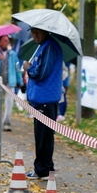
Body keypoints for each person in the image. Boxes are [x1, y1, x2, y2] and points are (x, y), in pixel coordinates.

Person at [23, 28, 63, 180]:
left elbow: (41, 73)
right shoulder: (44, 46)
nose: (34, 36)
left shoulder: (50, 47)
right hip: (43, 98)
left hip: (45, 99)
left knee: (44, 136)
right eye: (32, 32)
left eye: (37, 32)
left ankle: (43, 170)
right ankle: (44, 167)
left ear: (45, 31)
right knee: (43, 136)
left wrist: (29, 68)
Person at [0, 35, 24, 131]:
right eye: (5, 40)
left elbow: (17, 69)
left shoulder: (13, 54)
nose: (7, 41)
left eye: (8, 40)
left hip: (10, 81)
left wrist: (20, 82)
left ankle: (7, 122)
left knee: (9, 103)